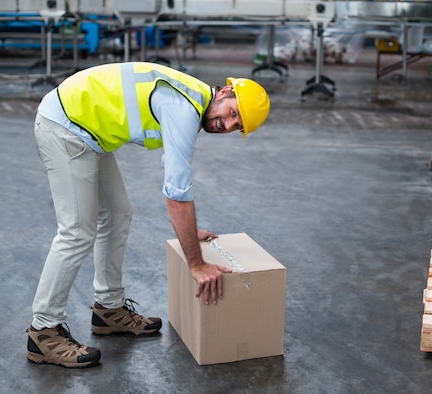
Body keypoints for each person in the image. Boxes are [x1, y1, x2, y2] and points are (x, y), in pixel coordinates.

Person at [26, 62, 271, 368]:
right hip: (65, 126)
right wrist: (195, 262)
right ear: (224, 92)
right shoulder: (183, 108)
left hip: (88, 132)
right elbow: (177, 191)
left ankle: (109, 309)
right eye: (233, 113)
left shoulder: (192, 100)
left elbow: (176, 185)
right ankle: (43, 332)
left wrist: (188, 233)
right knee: (77, 231)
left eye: (238, 126)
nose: (228, 124)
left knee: (117, 214)